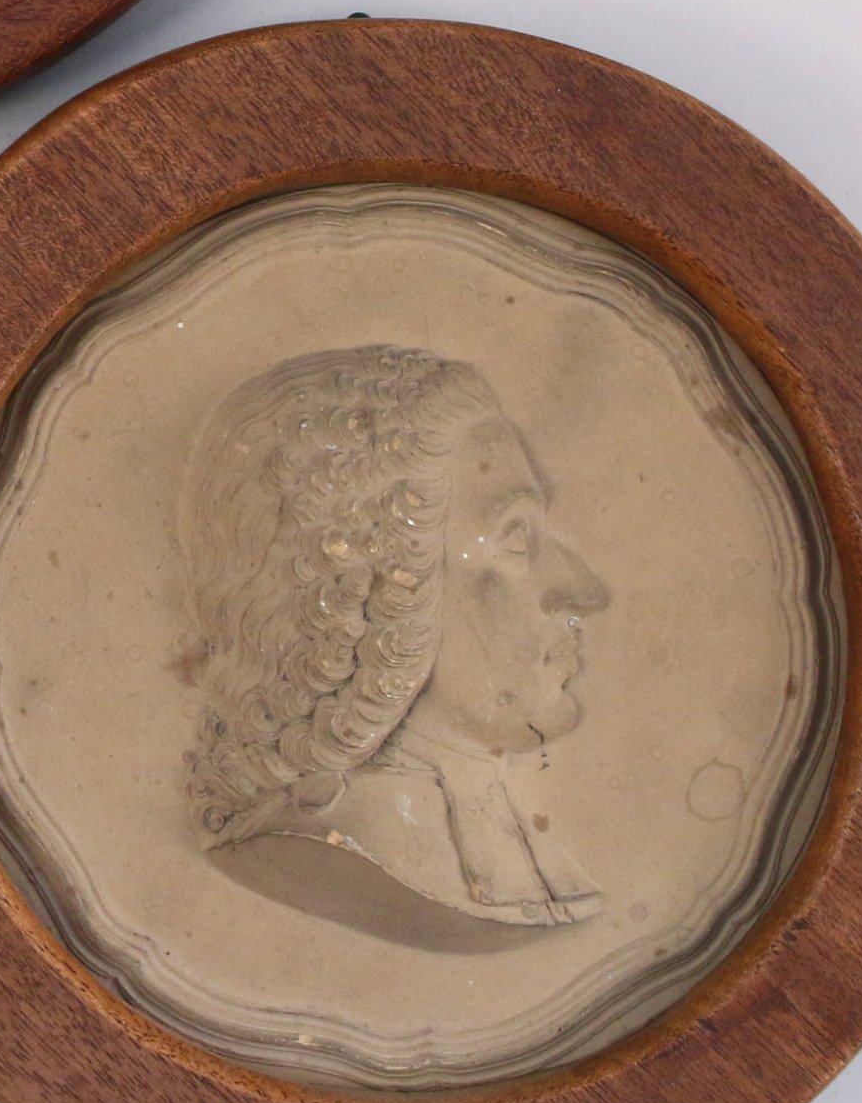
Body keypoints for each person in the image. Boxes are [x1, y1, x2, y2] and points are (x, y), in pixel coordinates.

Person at [180, 346, 612, 949]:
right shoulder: (326, 860)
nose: (583, 590)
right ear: (375, 589)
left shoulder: (540, 865)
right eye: (516, 538)